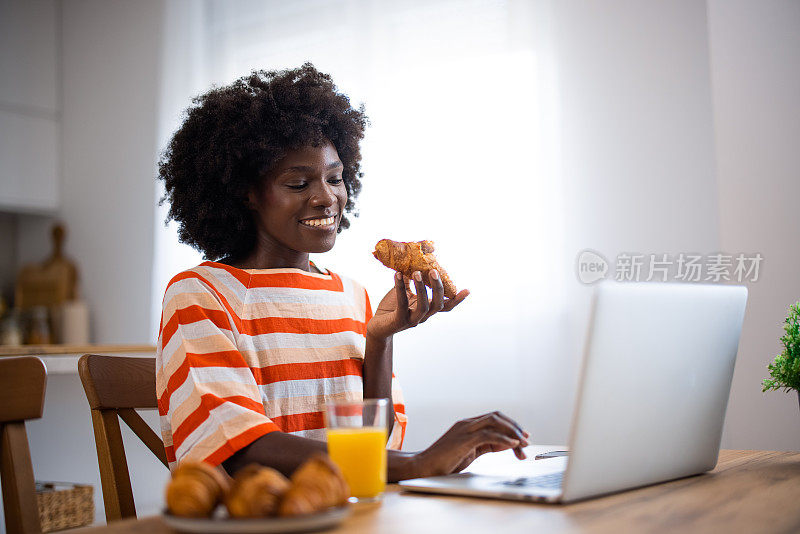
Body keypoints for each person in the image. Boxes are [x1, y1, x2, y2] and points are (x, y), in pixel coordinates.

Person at [156, 63, 530, 481]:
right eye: (298, 185)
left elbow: (372, 441)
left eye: (335, 178)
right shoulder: (201, 294)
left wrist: (378, 338)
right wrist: (419, 463)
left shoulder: (351, 296)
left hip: (347, 514)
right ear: (246, 194)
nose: (326, 197)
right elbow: (238, 447)